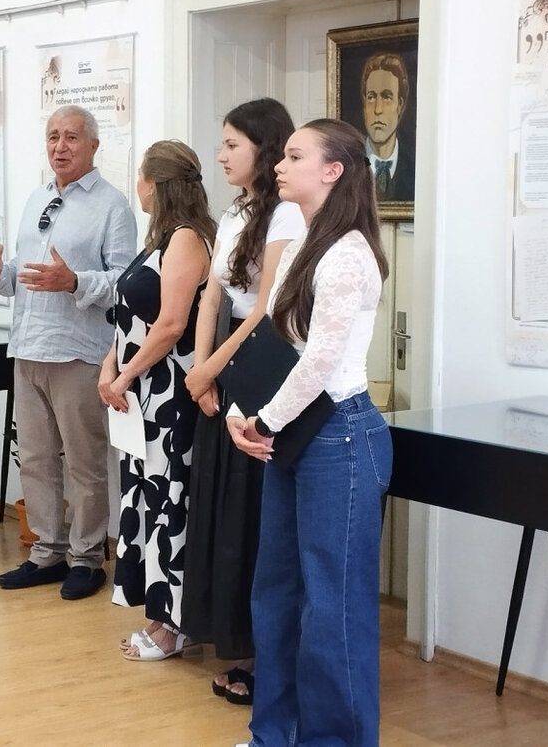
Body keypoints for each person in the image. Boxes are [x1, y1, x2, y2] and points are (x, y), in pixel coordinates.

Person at [228, 118, 392, 747]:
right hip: (293, 436)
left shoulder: (349, 253)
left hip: (339, 439)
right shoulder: (301, 243)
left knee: (332, 608)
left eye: (295, 156)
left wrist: (265, 420)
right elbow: (275, 341)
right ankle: (273, 735)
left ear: (332, 171)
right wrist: (243, 409)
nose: (280, 164)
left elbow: (320, 362)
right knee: (275, 595)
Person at [0, 105, 136, 600]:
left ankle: (87, 558)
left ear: (93, 145)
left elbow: (126, 284)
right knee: (36, 459)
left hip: (78, 353)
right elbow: (26, 272)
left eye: (71, 137)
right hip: (28, 348)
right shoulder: (38, 197)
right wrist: (1, 277)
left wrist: (74, 282)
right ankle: (46, 552)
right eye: (53, 136)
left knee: (84, 464)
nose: (60, 146)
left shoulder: (113, 206)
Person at [180, 99, 305, 702]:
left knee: (255, 516)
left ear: (265, 146)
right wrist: (200, 369)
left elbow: (264, 310)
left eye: (233, 144)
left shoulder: (287, 214)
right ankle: (231, 636)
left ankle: (262, 654)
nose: (222, 154)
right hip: (223, 367)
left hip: (261, 366)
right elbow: (212, 296)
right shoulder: (235, 210)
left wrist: (210, 370)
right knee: (221, 507)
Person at [97, 140, 214, 660]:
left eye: (141, 178)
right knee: (147, 500)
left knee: (171, 506)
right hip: (140, 395)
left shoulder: (187, 239)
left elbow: (170, 325)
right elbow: (130, 320)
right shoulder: (160, 241)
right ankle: (159, 613)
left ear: (155, 184)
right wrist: (110, 366)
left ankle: (175, 625)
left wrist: (124, 376)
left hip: (169, 396)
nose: (137, 187)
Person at [361, 52, 414, 202]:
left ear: (400, 105)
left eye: (387, 97)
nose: (378, 109)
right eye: (371, 97)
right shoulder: (347, 165)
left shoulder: (415, 167)